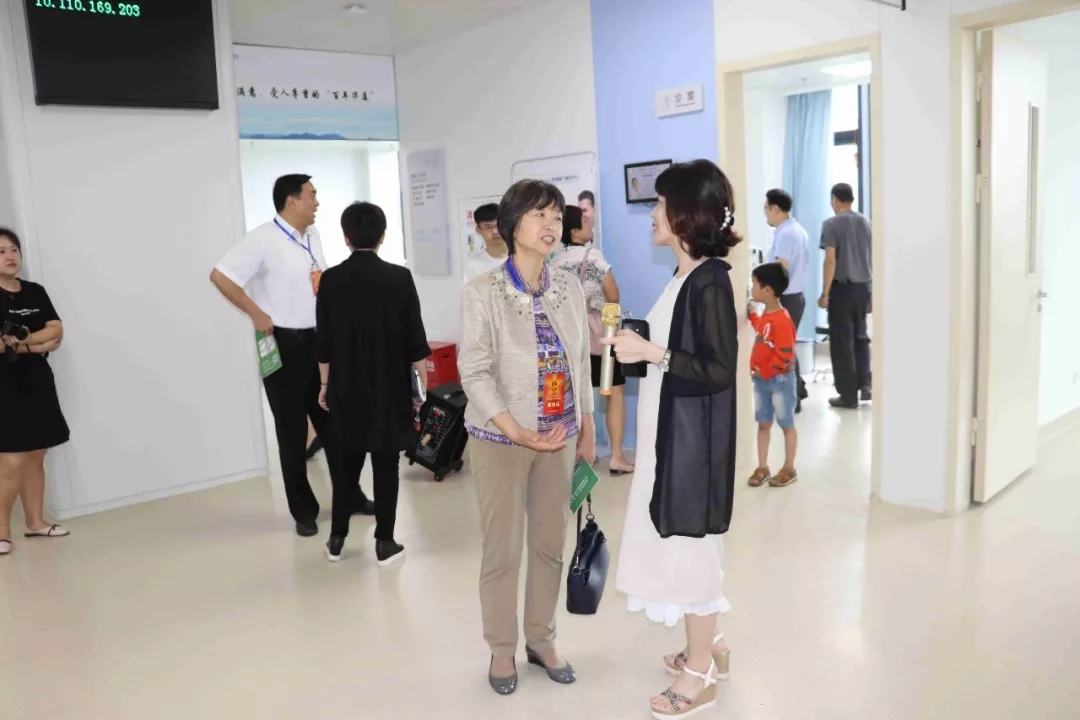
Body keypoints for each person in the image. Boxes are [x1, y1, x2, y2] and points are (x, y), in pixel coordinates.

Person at [602, 159, 739, 719]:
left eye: (660, 205)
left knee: (691, 550)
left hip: (692, 446)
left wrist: (652, 352)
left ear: (686, 214)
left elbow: (718, 369)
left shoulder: (710, 281)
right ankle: (711, 644)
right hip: (671, 437)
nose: (652, 215)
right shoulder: (684, 277)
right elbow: (674, 350)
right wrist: (632, 345)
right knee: (679, 546)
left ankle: (700, 672)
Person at [458, 179, 595, 696]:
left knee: (549, 543)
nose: (551, 225)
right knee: (503, 550)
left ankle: (541, 638)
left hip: (558, 436)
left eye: (557, 217)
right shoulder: (482, 292)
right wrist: (514, 429)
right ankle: (501, 647)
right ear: (513, 225)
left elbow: (580, 362)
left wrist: (586, 428)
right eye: (540, 215)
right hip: (501, 439)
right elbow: (474, 371)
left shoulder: (569, 285)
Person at [210, 174, 373, 538]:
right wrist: (256, 314)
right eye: (311, 195)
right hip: (283, 344)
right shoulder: (262, 239)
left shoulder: (312, 236)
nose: (317, 202)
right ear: (291, 200)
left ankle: (350, 496)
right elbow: (220, 276)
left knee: (337, 427)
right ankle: (304, 510)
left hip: (320, 343)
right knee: (291, 431)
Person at [316, 202, 430, 566]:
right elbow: (416, 343)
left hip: (345, 387)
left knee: (345, 468)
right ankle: (385, 542)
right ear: (382, 236)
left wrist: (324, 385)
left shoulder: (331, 280)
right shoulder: (399, 278)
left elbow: (323, 343)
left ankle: (336, 541)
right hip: (389, 389)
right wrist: (420, 393)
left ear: (346, 237)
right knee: (385, 466)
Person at [0, 228, 70, 557]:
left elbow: (56, 330)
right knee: (11, 460)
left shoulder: (35, 291)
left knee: (36, 454)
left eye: (14, 249)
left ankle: (36, 522)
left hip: (37, 380)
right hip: (4, 385)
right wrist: (37, 345)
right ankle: (1, 533)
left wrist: (22, 343)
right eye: (1, 251)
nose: (10, 256)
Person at [550, 205, 634, 475]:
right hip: (600, 336)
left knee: (576, 398)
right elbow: (613, 294)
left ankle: (584, 454)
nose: (591, 226)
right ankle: (617, 456)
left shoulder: (553, 262)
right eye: (586, 222)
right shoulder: (593, 256)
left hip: (568, 339)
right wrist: (609, 326)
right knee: (614, 391)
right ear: (574, 231)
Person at [817, 182, 872, 409]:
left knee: (842, 342)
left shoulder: (831, 224)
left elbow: (831, 260)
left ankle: (848, 395)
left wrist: (825, 293)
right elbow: (872, 258)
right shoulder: (866, 223)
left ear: (835, 200)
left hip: (842, 288)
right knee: (861, 337)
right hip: (863, 288)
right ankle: (865, 384)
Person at [747, 262, 799, 488]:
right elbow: (763, 332)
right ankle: (762, 466)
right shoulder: (767, 317)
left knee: (786, 424)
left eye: (754, 284)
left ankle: (789, 467)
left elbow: (785, 355)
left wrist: (766, 370)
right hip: (761, 382)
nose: (752, 288)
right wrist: (752, 317)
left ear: (767, 290)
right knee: (763, 424)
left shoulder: (783, 319)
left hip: (780, 381)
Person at [764, 188, 809, 411]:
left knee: (784, 349)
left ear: (775, 208)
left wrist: (768, 297)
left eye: (766, 209)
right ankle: (798, 391)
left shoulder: (786, 234)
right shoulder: (796, 230)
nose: (765, 214)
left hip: (787, 298)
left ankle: (793, 399)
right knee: (786, 347)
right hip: (795, 296)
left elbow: (780, 270)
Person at [463, 203, 507, 283]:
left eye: (498, 225)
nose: (495, 231)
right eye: (488, 227)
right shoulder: (474, 266)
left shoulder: (523, 257)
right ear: (478, 230)